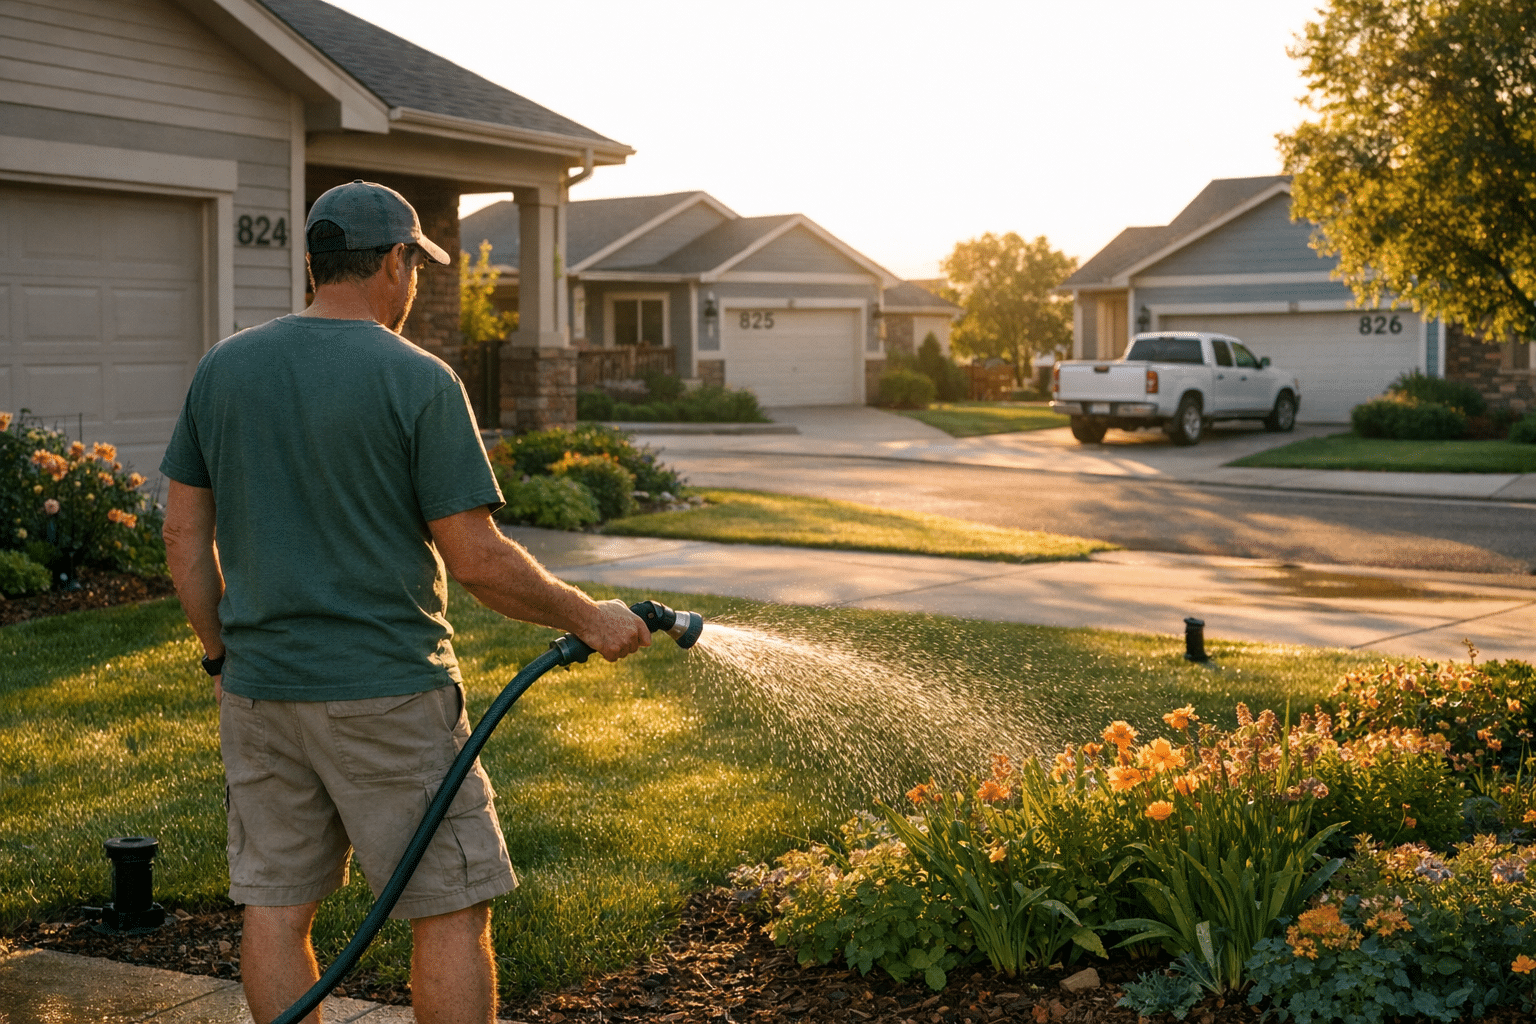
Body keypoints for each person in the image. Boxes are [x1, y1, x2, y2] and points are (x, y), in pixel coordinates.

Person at [160, 180, 651, 1024]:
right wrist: (586, 615)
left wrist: (219, 656)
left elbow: (181, 540)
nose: (414, 282)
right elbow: (480, 561)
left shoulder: (224, 366)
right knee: (451, 905)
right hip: (386, 691)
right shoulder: (416, 379)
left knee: (276, 907)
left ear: (316, 264)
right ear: (394, 263)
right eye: (414, 266)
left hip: (259, 693)